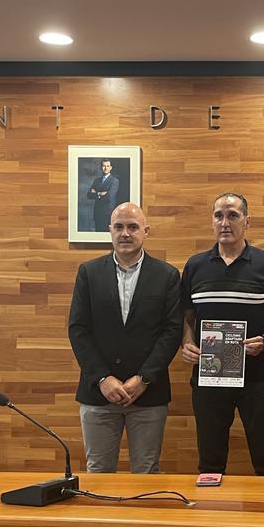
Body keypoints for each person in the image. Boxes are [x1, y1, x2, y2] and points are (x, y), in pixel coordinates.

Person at [67, 202, 182, 473]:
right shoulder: (89, 272)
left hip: (148, 394)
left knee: (146, 471)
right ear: (110, 231)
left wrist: (144, 378)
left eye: (132, 227)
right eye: (119, 227)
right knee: (98, 472)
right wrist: (102, 378)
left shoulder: (166, 275)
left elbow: (171, 331)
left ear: (146, 231)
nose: (125, 233)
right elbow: (78, 329)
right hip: (98, 394)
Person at [180, 192, 264, 475]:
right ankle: (209, 516)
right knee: (210, 461)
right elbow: (187, 317)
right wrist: (188, 342)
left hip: (260, 377)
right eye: (219, 216)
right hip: (209, 376)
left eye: (233, 215)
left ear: (247, 222)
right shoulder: (195, 266)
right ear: (212, 221)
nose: (225, 222)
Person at [87, 159, 120, 232]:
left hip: (108, 213)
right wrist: (99, 193)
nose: (105, 168)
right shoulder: (97, 181)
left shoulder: (114, 181)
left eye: (107, 166)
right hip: (98, 213)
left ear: (111, 168)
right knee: (98, 235)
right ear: (101, 167)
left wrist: (95, 193)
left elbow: (110, 196)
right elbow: (89, 195)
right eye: (103, 166)